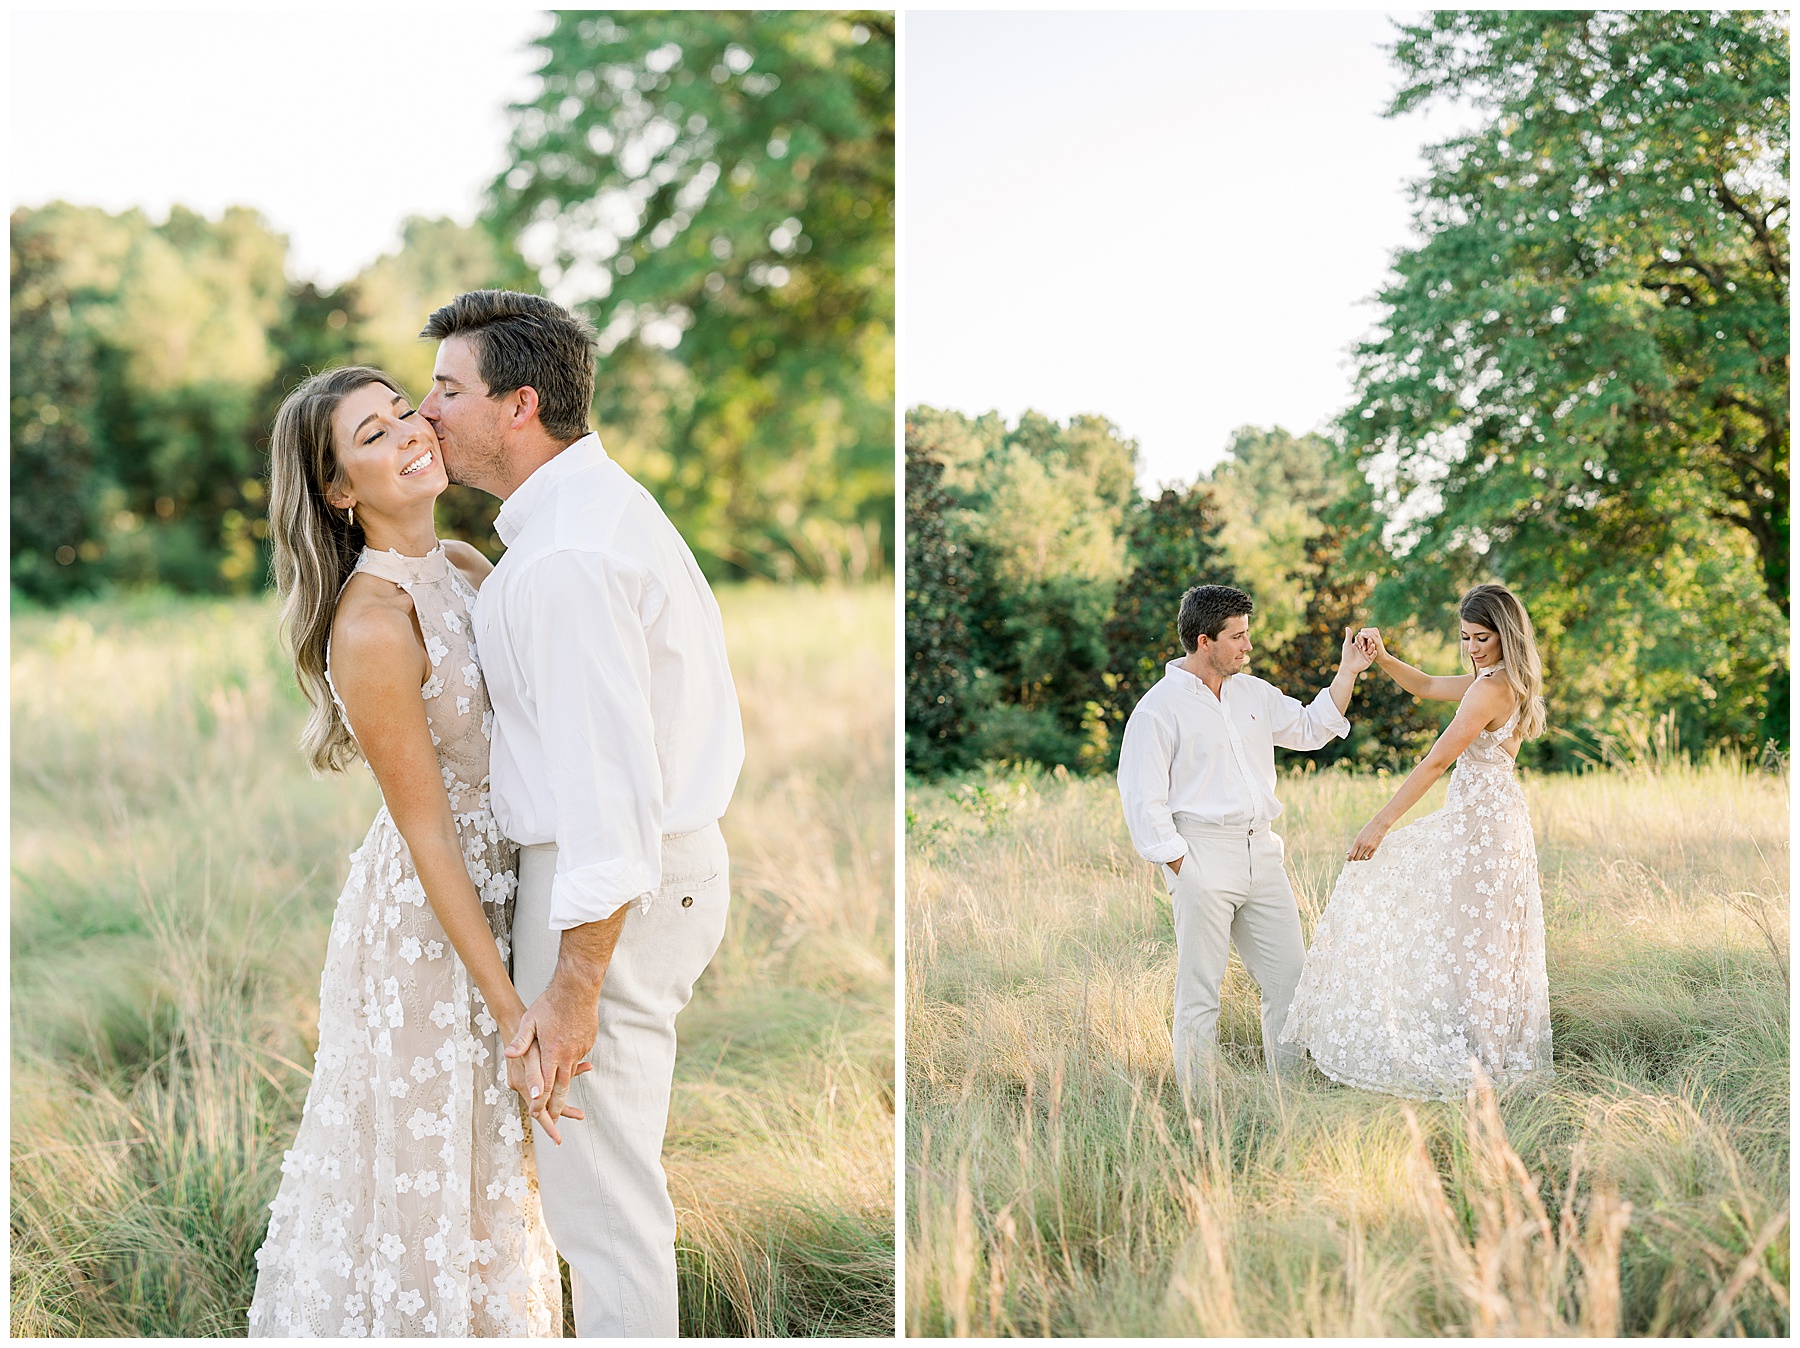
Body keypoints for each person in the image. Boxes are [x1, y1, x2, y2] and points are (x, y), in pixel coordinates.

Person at [418, 290, 744, 1338]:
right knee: (598, 1192)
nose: (428, 410)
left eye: (447, 388)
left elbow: (611, 794)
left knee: (601, 1208)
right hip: (636, 878)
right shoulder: (578, 523)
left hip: (610, 892)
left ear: (518, 405)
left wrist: (575, 982)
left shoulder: (565, 561)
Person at [249, 367, 562, 1336]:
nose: (411, 434)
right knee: (431, 1183)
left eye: (404, 414)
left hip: (510, 893)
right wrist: (513, 1010)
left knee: (496, 1178)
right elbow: (428, 830)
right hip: (428, 932)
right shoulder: (373, 622)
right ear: (342, 490)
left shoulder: (467, 564)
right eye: (373, 435)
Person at [1280, 583, 1553, 1100]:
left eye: (1481, 638)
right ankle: (1488, 1056)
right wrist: (1382, 658)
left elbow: (1434, 762)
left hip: (1482, 829)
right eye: (1466, 638)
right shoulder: (1502, 679)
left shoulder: (1490, 688)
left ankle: (1485, 1064)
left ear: (1505, 634)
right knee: (1482, 941)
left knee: (1475, 942)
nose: (1472, 648)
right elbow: (1425, 685)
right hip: (1494, 820)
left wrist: (1380, 823)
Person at [1117, 583, 1372, 1098]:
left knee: (1290, 985)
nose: (1247, 647)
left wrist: (1347, 672)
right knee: (1200, 993)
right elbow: (1142, 799)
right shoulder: (1157, 709)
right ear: (1204, 640)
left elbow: (1312, 727)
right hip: (1200, 855)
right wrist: (1184, 869)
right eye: (1238, 637)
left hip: (1263, 855)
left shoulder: (1253, 693)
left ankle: (1291, 1097)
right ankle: (1200, 1108)